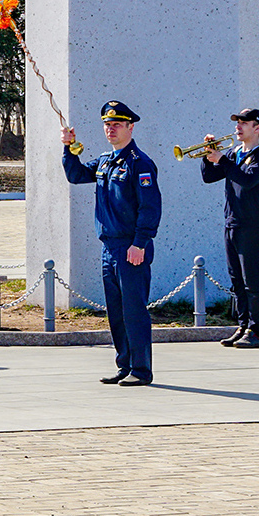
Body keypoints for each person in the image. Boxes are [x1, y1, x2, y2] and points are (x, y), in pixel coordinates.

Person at [61, 101, 162, 386]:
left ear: (131, 127)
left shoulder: (139, 163)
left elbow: (150, 207)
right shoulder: (106, 161)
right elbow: (76, 175)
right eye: (107, 124)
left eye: (117, 124)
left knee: (134, 310)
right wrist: (68, 148)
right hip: (109, 248)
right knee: (116, 313)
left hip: (131, 247)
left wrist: (140, 242)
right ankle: (125, 364)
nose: (111, 129)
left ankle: (141, 370)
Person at [201, 109, 259, 349]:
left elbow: (248, 180)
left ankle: (256, 330)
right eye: (238, 122)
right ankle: (243, 325)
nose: (238, 127)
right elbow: (209, 177)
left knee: (252, 280)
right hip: (231, 221)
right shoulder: (234, 152)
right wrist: (207, 155)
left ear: (258, 128)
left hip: (252, 224)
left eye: (244, 123)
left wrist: (223, 160)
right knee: (236, 280)